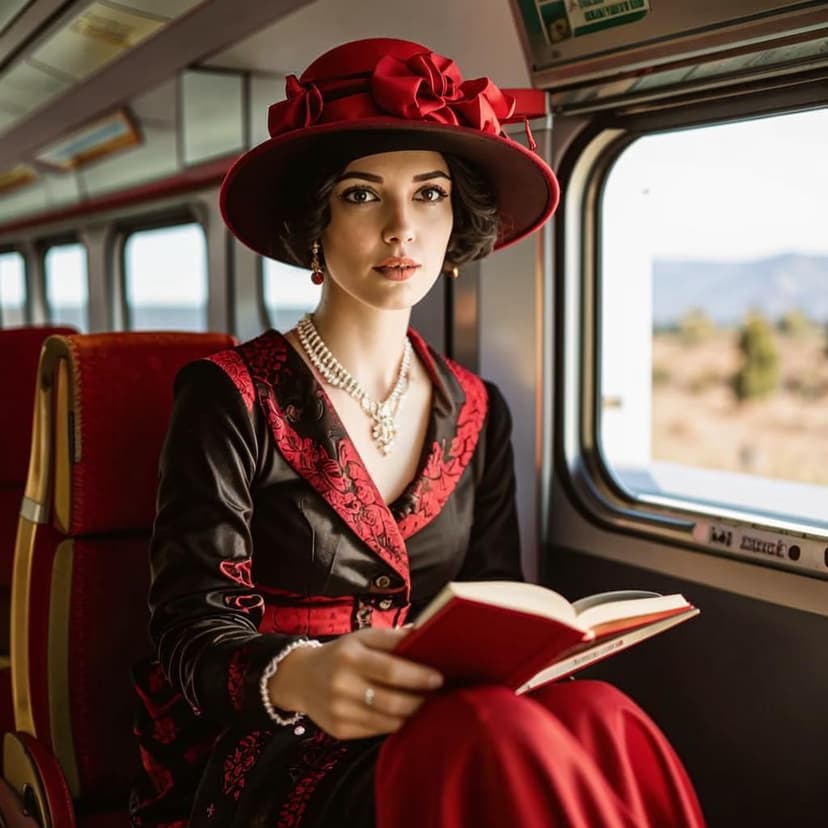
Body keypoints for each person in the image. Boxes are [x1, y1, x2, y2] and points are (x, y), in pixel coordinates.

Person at [130, 37, 706, 828]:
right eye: (364, 196)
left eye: (429, 194)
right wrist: (300, 674)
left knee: (600, 715)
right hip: (284, 734)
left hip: (447, 711)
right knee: (493, 736)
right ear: (315, 225)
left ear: (456, 217)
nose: (403, 228)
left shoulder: (477, 406)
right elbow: (188, 628)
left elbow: (501, 595)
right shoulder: (229, 394)